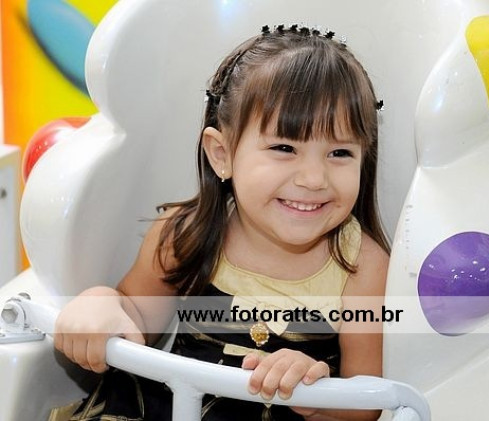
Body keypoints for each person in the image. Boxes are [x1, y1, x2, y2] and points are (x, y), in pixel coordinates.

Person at [52, 24, 390, 421]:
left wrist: (315, 395)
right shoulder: (185, 233)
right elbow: (136, 318)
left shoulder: (362, 267)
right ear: (221, 154)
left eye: (340, 153)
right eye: (284, 147)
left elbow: (366, 405)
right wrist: (101, 302)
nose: (314, 179)